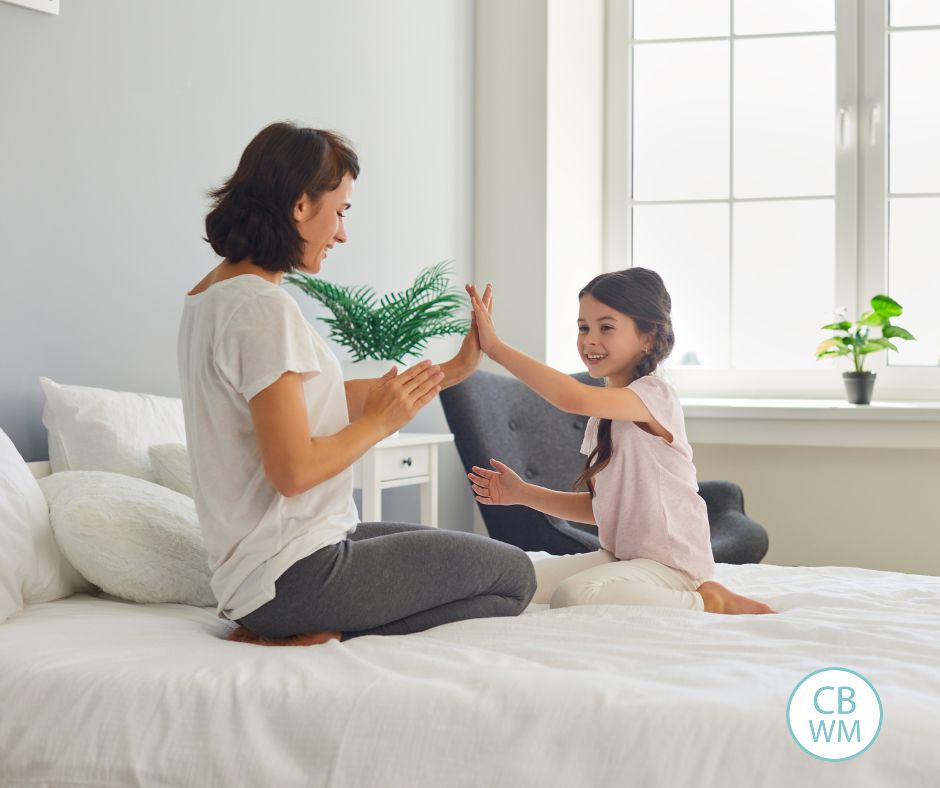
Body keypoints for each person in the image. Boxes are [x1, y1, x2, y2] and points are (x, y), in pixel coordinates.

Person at [178, 121, 536, 646]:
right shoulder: (261, 308)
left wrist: (455, 370)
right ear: (301, 205)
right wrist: (378, 424)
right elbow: (294, 471)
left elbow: (314, 404)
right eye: (340, 211)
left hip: (267, 576)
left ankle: (289, 627)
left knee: (466, 554)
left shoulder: (213, 296)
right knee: (515, 577)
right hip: (293, 576)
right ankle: (322, 630)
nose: (342, 232)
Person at [463, 268, 775, 615]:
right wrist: (521, 494)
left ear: (648, 336)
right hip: (622, 558)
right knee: (515, 581)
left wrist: (496, 348)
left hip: (670, 567)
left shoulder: (655, 396)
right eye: (584, 327)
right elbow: (603, 507)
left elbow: (572, 398)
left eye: (606, 327)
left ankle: (705, 600)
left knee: (574, 595)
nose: (589, 340)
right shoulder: (603, 417)